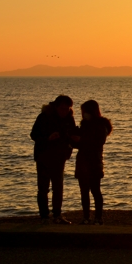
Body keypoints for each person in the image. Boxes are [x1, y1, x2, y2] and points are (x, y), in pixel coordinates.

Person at [30, 95, 78, 224]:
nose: (64, 111)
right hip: (43, 156)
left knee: (58, 187)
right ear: (56, 107)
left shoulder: (69, 118)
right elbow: (34, 134)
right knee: (43, 188)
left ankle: (57, 215)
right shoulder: (44, 117)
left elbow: (72, 134)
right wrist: (48, 138)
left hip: (59, 157)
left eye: (67, 109)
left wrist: (75, 139)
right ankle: (44, 216)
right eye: (62, 108)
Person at [75, 99, 113, 225]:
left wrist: (81, 139)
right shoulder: (85, 125)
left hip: (94, 161)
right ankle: (86, 217)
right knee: (84, 191)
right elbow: (81, 144)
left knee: (95, 190)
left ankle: (98, 217)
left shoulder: (100, 126)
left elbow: (98, 143)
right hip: (83, 161)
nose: (82, 114)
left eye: (84, 111)